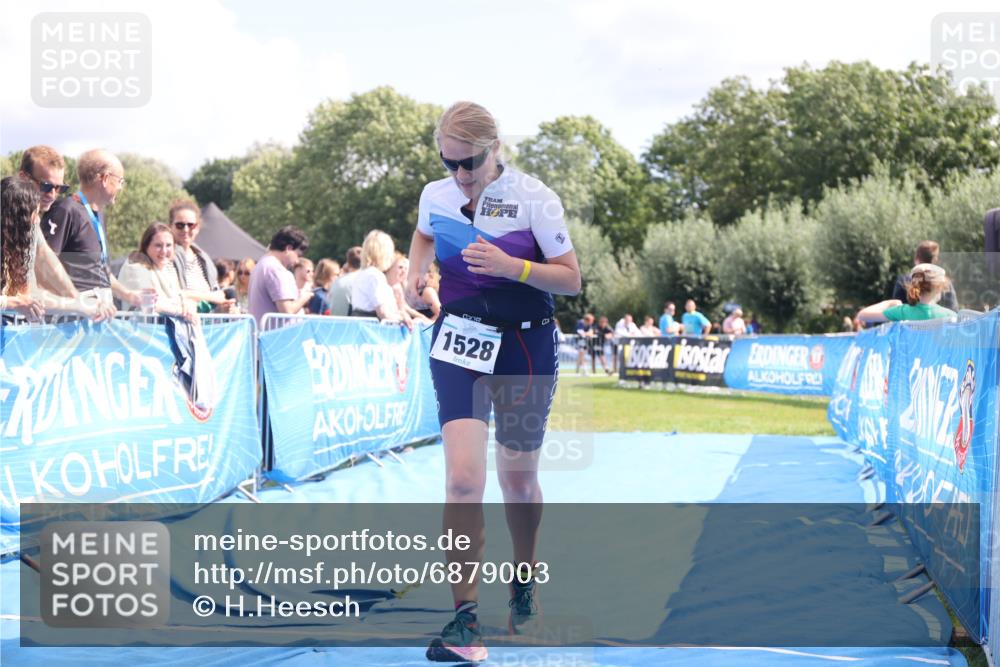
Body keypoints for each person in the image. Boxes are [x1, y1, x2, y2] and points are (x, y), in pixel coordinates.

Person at [404, 101, 581, 663]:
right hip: (459, 339)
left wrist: (514, 268)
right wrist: (415, 274)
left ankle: (523, 582)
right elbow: (422, 235)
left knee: (519, 482)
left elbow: (572, 280)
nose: (460, 174)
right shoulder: (438, 194)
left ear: (494, 148)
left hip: (525, 345)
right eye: (449, 162)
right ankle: (465, 619)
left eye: (470, 162)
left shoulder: (535, 198)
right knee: (461, 480)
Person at [43, 148, 142, 310]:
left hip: (97, 315)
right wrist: (78, 302)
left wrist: (129, 295)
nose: (120, 187)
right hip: (70, 322)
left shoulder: (97, 215)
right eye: (120, 181)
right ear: (105, 178)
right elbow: (44, 265)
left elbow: (100, 272)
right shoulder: (66, 209)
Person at [1, 177, 112, 321]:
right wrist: (12, 303)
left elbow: (32, 299)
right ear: (15, 217)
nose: (38, 220)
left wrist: (81, 305)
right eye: (34, 214)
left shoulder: (19, 251)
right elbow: (21, 302)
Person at [116, 223, 196, 320]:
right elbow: (150, 303)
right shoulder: (135, 267)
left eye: (168, 245)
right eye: (158, 245)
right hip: (140, 331)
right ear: (146, 247)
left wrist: (188, 304)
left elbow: (178, 298)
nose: (164, 251)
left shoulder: (164, 270)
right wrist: (181, 311)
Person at [170, 199, 235, 314]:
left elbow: (214, 302)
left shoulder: (204, 259)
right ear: (170, 226)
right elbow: (173, 293)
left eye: (191, 225)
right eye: (180, 225)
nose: (185, 229)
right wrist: (211, 297)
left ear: (197, 227)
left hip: (204, 327)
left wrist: (223, 308)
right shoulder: (165, 256)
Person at [247, 226, 313, 325]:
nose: (297, 261)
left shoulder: (262, 264)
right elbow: (287, 310)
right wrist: (305, 297)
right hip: (276, 336)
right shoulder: (276, 269)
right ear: (289, 248)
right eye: (298, 255)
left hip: (264, 334)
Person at [858, 264, 955, 324]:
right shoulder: (950, 316)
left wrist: (889, 303)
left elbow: (862, 315)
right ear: (938, 288)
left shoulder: (902, 312)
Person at [351, 230, 411, 327]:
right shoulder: (375, 275)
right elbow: (383, 313)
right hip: (373, 331)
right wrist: (403, 319)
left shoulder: (363, 273)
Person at [891, 241, 958, 311]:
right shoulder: (945, 283)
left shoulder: (903, 281)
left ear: (916, 259)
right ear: (935, 260)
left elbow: (896, 312)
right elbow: (954, 313)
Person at [327, 246, 362, 316]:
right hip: (353, 324)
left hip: (335, 323)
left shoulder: (336, 281)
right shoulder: (362, 281)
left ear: (348, 262)